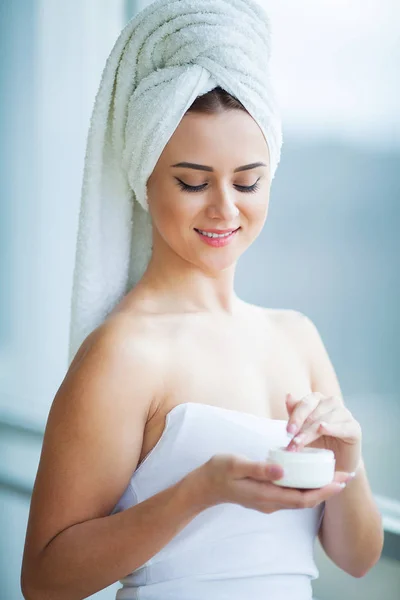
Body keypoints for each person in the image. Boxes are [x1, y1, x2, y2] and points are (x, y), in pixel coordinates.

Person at [21, 2, 384, 599]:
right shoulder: (124, 352)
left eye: (248, 182)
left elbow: (358, 557)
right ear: (145, 179)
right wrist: (199, 490)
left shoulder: (297, 337)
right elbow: (44, 579)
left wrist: (352, 458)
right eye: (191, 181)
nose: (224, 208)